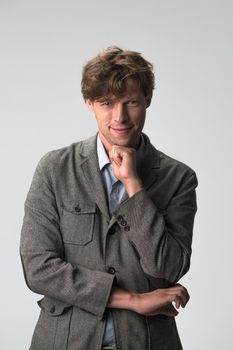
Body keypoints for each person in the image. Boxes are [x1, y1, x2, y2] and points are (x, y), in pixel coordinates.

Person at [20, 46, 198, 350]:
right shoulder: (54, 169)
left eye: (131, 102)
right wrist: (133, 300)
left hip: (147, 342)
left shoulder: (178, 178)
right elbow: (38, 268)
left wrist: (134, 186)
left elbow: (168, 268)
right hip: (65, 341)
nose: (120, 117)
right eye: (107, 103)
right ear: (89, 103)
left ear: (147, 101)